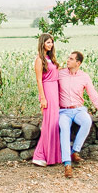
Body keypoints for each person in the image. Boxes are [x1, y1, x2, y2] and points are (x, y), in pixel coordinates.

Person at [58, 50, 98, 178]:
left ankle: (75, 151)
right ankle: (67, 164)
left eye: (71, 59)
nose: (68, 60)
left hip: (79, 109)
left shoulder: (84, 77)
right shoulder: (60, 74)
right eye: (68, 58)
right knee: (64, 128)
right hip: (64, 111)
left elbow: (94, 97)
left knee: (87, 121)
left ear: (78, 63)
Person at [31, 33, 61, 166]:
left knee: (54, 123)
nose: (51, 44)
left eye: (52, 42)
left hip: (54, 89)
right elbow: (38, 80)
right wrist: (42, 98)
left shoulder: (50, 58)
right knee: (48, 124)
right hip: (47, 91)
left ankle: (52, 156)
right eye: (48, 42)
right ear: (42, 43)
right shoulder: (39, 60)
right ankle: (40, 155)